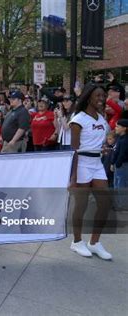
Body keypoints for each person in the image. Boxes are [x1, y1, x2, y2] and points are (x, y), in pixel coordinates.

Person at [69, 83, 112, 260]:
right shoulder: (78, 119)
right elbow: (74, 149)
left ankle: (94, 243)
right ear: (88, 97)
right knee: (82, 205)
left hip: (97, 163)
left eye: (103, 96)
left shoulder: (101, 119)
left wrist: (103, 149)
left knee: (105, 204)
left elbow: (99, 142)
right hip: (82, 164)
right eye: (98, 96)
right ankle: (77, 241)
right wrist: (73, 177)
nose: (101, 99)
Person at [111, 119, 128, 211]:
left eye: (118, 126)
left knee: (122, 185)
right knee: (116, 184)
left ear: (124, 128)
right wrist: (112, 162)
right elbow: (116, 151)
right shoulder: (119, 138)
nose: (115, 128)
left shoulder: (125, 140)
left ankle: (123, 204)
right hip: (118, 165)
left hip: (123, 165)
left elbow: (122, 154)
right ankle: (118, 203)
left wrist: (117, 163)